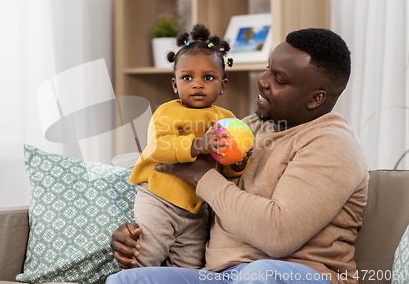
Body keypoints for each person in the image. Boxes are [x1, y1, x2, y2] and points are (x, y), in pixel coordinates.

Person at [107, 28, 369, 284]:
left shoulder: (333, 145)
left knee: (259, 274)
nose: (262, 80)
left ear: (316, 99)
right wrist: (143, 235)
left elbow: (277, 235)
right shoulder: (247, 126)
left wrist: (202, 176)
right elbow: (209, 206)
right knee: (127, 280)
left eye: (280, 79)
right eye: (268, 68)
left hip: (297, 273)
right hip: (219, 274)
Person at [128, 24, 251, 268]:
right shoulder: (167, 112)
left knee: (191, 266)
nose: (197, 84)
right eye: (187, 77)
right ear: (175, 84)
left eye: (208, 77)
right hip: (158, 199)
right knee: (146, 256)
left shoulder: (228, 120)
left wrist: (238, 163)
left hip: (197, 209)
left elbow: (223, 167)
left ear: (222, 85)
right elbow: (159, 148)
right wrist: (197, 144)